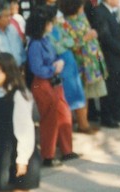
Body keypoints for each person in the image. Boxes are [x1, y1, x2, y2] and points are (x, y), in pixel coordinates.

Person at [27, 7, 79, 167]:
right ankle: (48, 155)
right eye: (48, 22)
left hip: (54, 81)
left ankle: (67, 150)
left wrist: (56, 64)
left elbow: (52, 56)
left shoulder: (45, 39)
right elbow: (37, 68)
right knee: (50, 118)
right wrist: (53, 68)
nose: (51, 24)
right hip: (43, 83)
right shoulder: (35, 44)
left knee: (64, 113)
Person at [0, 53, 41, 192]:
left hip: (18, 153)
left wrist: (22, 159)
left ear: (8, 70)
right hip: (3, 152)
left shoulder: (19, 94)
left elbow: (25, 129)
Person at [58, 0, 107, 133]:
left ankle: (83, 121)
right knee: (81, 93)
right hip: (80, 61)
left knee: (87, 93)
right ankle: (82, 124)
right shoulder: (65, 23)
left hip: (91, 60)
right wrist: (86, 38)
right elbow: (69, 43)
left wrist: (93, 34)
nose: (82, 8)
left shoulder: (82, 16)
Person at [93, 0, 120, 128]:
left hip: (118, 56)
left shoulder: (113, 12)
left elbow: (119, 31)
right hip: (108, 56)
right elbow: (105, 37)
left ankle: (116, 112)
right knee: (109, 87)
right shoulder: (99, 12)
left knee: (117, 85)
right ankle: (107, 117)